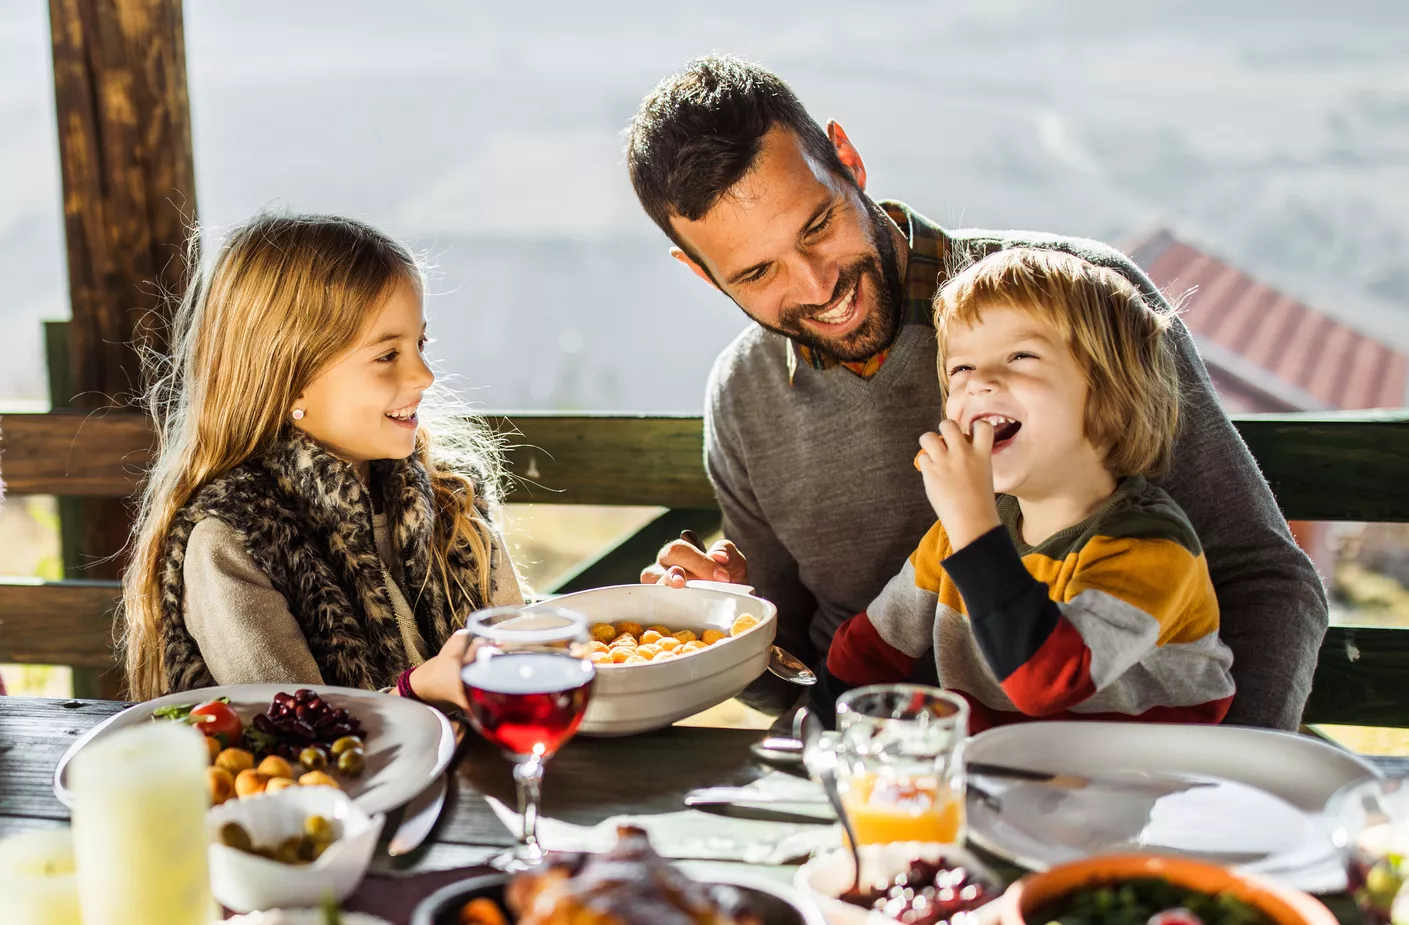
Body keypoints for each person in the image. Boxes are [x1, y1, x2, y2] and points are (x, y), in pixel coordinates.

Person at [627, 55, 1326, 730]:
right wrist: (725, 624)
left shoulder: (1076, 299)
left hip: (1120, 781)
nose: (816, 287)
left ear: (847, 158)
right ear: (700, 272)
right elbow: (800, 677)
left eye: (818, 226)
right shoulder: (744, 394)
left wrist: (1228, 795)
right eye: (755, 274)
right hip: (885, 780)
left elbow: (1264, 581)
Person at [118, 213, 527, 707]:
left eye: (420, 344)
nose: (424, 376)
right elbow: (292, 727)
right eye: (386, 355)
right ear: (288, 376)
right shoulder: (235, 540)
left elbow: (521, 650)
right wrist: (414, 692)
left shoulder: (449, 498)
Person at [819, 247, 1235, 731]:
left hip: (1148, 783)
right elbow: (872, 647)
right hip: (1010, 778)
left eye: (1021, 356)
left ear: (1109, 390)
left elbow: (1047, 681)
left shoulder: (1151, 547)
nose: (979, 383)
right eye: (961, 368)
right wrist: (818, 733)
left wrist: (972, 523)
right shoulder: (957, 534)